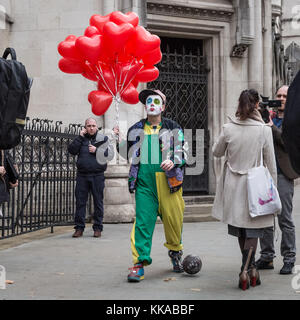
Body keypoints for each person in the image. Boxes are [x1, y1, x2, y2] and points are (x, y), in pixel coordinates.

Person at [113, 89, 187, 282]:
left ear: (163, 106)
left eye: (156, 100)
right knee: (143, 223)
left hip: (169, 183)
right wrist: (118, 141)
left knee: (174, 223)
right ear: (145, 106)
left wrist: (174, 161)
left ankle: (175, 252)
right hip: (145, 185)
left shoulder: (173, 127)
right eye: (148, 101)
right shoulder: (135, 129)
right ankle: (139, 263)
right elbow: (127, 154)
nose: (151, 104)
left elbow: (182, 150)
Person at [212, 89, 277, 290]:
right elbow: (271, 163)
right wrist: (272, 189)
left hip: (233, 186)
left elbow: (216, 152)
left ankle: (249, 270)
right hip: (255, 187)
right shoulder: (264, 130)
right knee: (253, 230)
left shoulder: (228, 128)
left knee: (241, 228)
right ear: (257, 104)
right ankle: (246, 270)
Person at [256, 85, 299, 274]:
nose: (281, 98)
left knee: (285, 219)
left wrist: (272, 127)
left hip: (283, 174)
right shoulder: (267, 117)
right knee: (265, 217)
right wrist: (259, 118)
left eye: (284, 96)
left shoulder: (293, 121)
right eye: (278, 95)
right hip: (263, 173)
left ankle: (289, 258)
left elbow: (287, 142)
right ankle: (267, 257)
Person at [68, 118, 114, 238]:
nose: (91, 128)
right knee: (80, 202)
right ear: (85, 127)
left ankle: (97, 228)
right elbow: (71, 150)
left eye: (93, 125)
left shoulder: (102, 139)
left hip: (97, 175)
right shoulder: (81, 139)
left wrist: (97, 150)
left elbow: (109, 155)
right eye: (89, 126)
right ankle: (79, 228)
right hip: (82, 175)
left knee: (98, 202)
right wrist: (79, 137)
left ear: (97, 127)